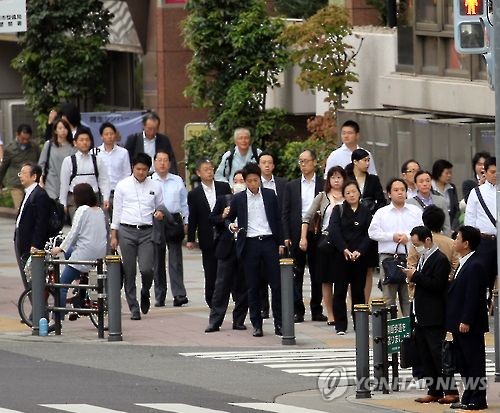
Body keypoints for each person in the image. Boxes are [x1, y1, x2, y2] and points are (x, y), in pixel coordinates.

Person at [226, 163, 284, 337]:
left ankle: (279, 323)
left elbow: (278, 219)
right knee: (253, 286)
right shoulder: (239, 199)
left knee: (276, 285)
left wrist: (281, 242)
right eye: (250, 181)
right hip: (250, 243)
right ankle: (256, 324)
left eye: (256, 180)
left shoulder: (270, 195)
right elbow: (228, 218)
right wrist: (231, 226)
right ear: (244, 182)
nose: (253, 184)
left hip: (268, 242)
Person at [402, 226, 459, 405]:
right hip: (420, 313)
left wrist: (415, 276)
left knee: (438, 354)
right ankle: (434, 390)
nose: (416, 247)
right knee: (425, 355)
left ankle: (450, 390)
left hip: (434, 315)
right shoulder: (423, 258)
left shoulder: (439, 259)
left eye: (417, 244)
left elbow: (437, 285)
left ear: (427, 240)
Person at [110, 153, 166, 320]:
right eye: (138, 169)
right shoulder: (123, 186)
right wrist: (114, 235)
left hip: (147, 231)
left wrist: (160, 213)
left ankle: (145, 291)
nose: (141, 172)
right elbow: (117, 212)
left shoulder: (155, 186)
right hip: (127, 230)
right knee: (129, 271)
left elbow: (161, 206)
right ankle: (134, 307)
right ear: (132, 168)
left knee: (147, 269)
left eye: (144, 169)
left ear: (149, 170)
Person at [446, 226, 488, 410]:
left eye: (458, 238)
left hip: (469, 323)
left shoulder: (475, 264)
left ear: (466, 243)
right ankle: (468, 396)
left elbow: (473, 296)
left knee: (474, 361)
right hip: (459, 321)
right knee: (463, 362)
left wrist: (466, 320)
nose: (455, 241)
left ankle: (478, 398)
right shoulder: (464, 262)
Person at [282, 149, 327, 323]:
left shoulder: (323, 184)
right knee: (296, 272)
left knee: (317, 271)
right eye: (300, 161)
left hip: (316, 231)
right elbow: (285, 213)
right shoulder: (291, 185)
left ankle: (316, 309)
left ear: (314, 162)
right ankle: (297, 310)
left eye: (306, 161)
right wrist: (286, 234)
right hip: (296, 232)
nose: (303, 164)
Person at [50, 183, 107, 316]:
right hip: (99, 254)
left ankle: (57, 319)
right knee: (70, 252)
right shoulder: (100, 211)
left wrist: (60, 248)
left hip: (85, 254)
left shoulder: (82, 210)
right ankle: (79, 286)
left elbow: (73, 232)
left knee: (62, 285)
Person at [368, 178, 423, 316]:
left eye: (402, 190)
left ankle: (410, 331)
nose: (399, 193)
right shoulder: (382, 212)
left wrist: (409, 238)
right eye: (396, 190)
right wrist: (391, 237)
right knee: (388, 298)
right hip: (388, 258)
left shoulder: (415, 211)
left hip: (410, 257)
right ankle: (389, 331)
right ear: (389, 194)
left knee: (408, 296)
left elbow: (422, 231)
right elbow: (372, 232)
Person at [299, 166, 346, 326]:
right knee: (326, 280)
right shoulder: (322, 196)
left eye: (339, 177)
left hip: (344, 242)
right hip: (325, 241)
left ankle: (343, 313)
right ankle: (331, 314)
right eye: (333, 177)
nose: (336, 180)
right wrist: (303, 237)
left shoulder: (349, 195)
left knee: (342, 279)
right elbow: (307, 217)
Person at [205, 171, 248, 332]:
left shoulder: (249, 200)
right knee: (221, 286)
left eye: (241, 180)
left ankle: (239, 320)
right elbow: (212, 218)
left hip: (244, 248)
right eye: (235, 180)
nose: (238, 183)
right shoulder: (224, 199)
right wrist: (223, 216)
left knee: (243, 287)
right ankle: (215, 321)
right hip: (226, 248)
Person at [329, 180, 372, 335]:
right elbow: (334, 231)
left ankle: (359, 323)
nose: (351, 195)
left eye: (354, 191)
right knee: (339, 291)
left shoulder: (366, 211)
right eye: (348, 193)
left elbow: (369, 233)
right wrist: (345, 249)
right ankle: (340, 325)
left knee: (358, 291)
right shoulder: (338, 210)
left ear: (359, 193)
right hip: (342, 257)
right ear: (344, 195)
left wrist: (360, 251)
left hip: (360, 257)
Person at [187, 159, 231, 307]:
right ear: (199, 173)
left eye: (211, 169)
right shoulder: (194, 194)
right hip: (207, 235)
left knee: (225, 269)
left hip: (224, 233)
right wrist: (191, 238)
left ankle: (224, 296)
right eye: (206, 169)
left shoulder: (223, 187)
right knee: (210, 269)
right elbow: (193, 217)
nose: (209, 171)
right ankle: (211, 298)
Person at [345, 148, 386, 302]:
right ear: (355, 161)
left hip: (368, 222)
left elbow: (381, 200)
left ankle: (366, 301)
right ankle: (354, 302)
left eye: (368, 160)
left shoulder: (373, 179)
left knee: (368, 266)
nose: (367, 163)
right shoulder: (347, 178)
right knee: (351, 267)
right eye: (364, 160)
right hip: (350, 223)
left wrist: (373, 211)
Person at [152, 150, 189, 308]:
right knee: (158, 259)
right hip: (156, 220)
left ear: (170, 163)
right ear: (154, 162)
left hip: (174, 220)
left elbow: (184, 203)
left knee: (175, 260)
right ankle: (160, 295)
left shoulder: (177, 180)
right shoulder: (149, 180)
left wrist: (187, 222)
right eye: (159, 160)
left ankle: (179, 294)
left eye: (165, 160)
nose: (162, 163)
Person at [257, 151, 287, 318]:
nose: (267, 165)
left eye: (270, 162)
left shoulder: (283, 184)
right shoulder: (255, 185)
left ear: (274, 165)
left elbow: (285, 211)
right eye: (264, 162)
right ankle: (263, 307)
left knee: (278, 276)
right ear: (259, 165)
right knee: (261, 274)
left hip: (277, 231)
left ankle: (280, 309)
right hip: (261, 233)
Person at [464, 156, 497, 309]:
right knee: (481, 276)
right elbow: (470, 220)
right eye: (493, 172)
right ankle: (480, 305)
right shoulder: (476, 192)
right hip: (483, 241)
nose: (495, 175)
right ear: (485, 172)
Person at [59, 127, 111, 221]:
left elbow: (104, 180)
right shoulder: (68, 161)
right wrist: (63, 203)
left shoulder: (97, 160)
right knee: (77, 228)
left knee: (93, 227)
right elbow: (64, 184)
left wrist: (106, 198)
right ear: (75, 143)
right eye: (81, 140)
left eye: (87, 140)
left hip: (94, 199)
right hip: (74, 199)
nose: (84, 142)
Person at [14, 162, 51, 291]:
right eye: (20, 173)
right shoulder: (29, 193)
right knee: (27, 279)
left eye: (24, 173)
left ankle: (39, 309)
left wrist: (36, 244)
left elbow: (42, 222)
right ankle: (36, 308)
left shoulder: (39, 195)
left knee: (32, 280)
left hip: (31, 244)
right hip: (22, 240)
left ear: (34, 176)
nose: (20, 176)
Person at [407, 205, 459, 277]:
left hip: (421, 283)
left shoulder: (417, 243)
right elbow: (456, 267)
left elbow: (411, 267)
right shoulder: (451, 243)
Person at [0, 124, 41, 210]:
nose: (25, 141)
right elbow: (4, 167)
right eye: (23, 139)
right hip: (16, 183)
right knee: (21, 209)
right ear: (17, 135)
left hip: (32, 182)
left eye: (27, 139)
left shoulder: (34, 147)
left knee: (33, 208)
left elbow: (39, 163)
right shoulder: (9, 149)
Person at [96, 121, 131, 219]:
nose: (109, 136)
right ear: (101, 136)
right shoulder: (95, 152)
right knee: (103, 221)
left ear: (115, 135)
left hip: (118, 192)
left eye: (111, 134)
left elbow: (127, 174)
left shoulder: (123, 152)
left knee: (118, 220)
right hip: (102, 194)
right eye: (106, 134)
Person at [38, 117, 76, 201]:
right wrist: (41, 180)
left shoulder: (73, 147)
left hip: (69, 183)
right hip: (51, 183)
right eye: (60, 128)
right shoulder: (49, 145)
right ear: (55, 130)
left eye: (65, 128)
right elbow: (42, 164)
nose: (63, 130)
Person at [407, 170, 451, 236]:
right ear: (416, 185)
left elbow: (446, 225)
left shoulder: (440, 200)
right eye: (421, 181)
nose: (425, 184)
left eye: (428, 181)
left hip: (439, 239)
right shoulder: (409, 203)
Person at [431, 159, 460, 231]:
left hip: (451, 227)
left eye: (450, 173)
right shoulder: (430, 187)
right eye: (447, 173)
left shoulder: (451, 188)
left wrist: (452, 228)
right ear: (438, 172)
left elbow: (456, 209)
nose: (449, 176)